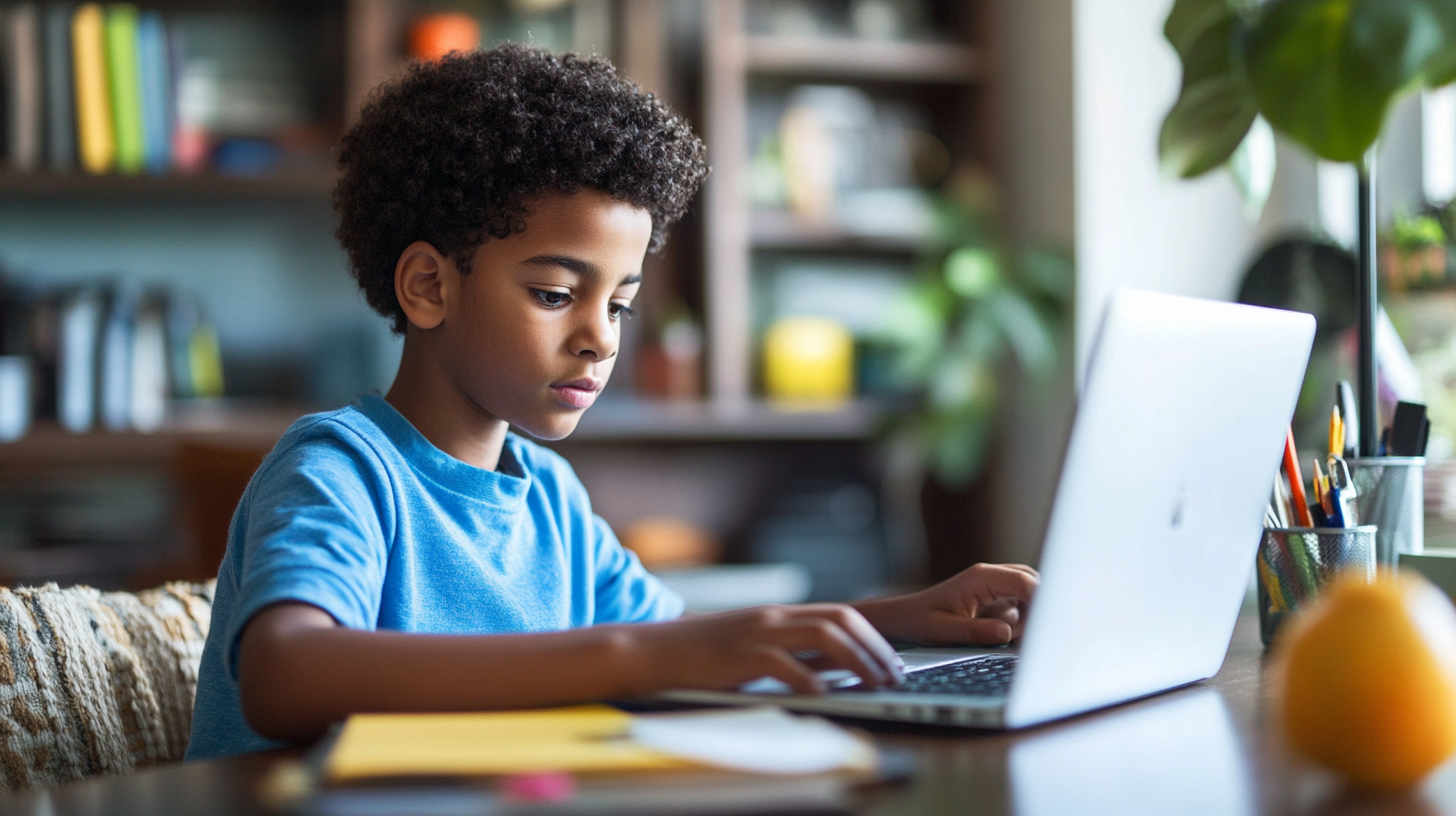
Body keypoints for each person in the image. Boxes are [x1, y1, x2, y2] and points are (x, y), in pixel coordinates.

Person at [185, 45, 1039, 761]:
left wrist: (906, 617)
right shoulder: (339, 469)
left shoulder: (551, 500)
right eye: (557, 294)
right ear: (427, 285)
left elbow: (702, 640)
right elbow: (287, 677)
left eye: (620, 304)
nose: (603, 339)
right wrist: (634, 656)